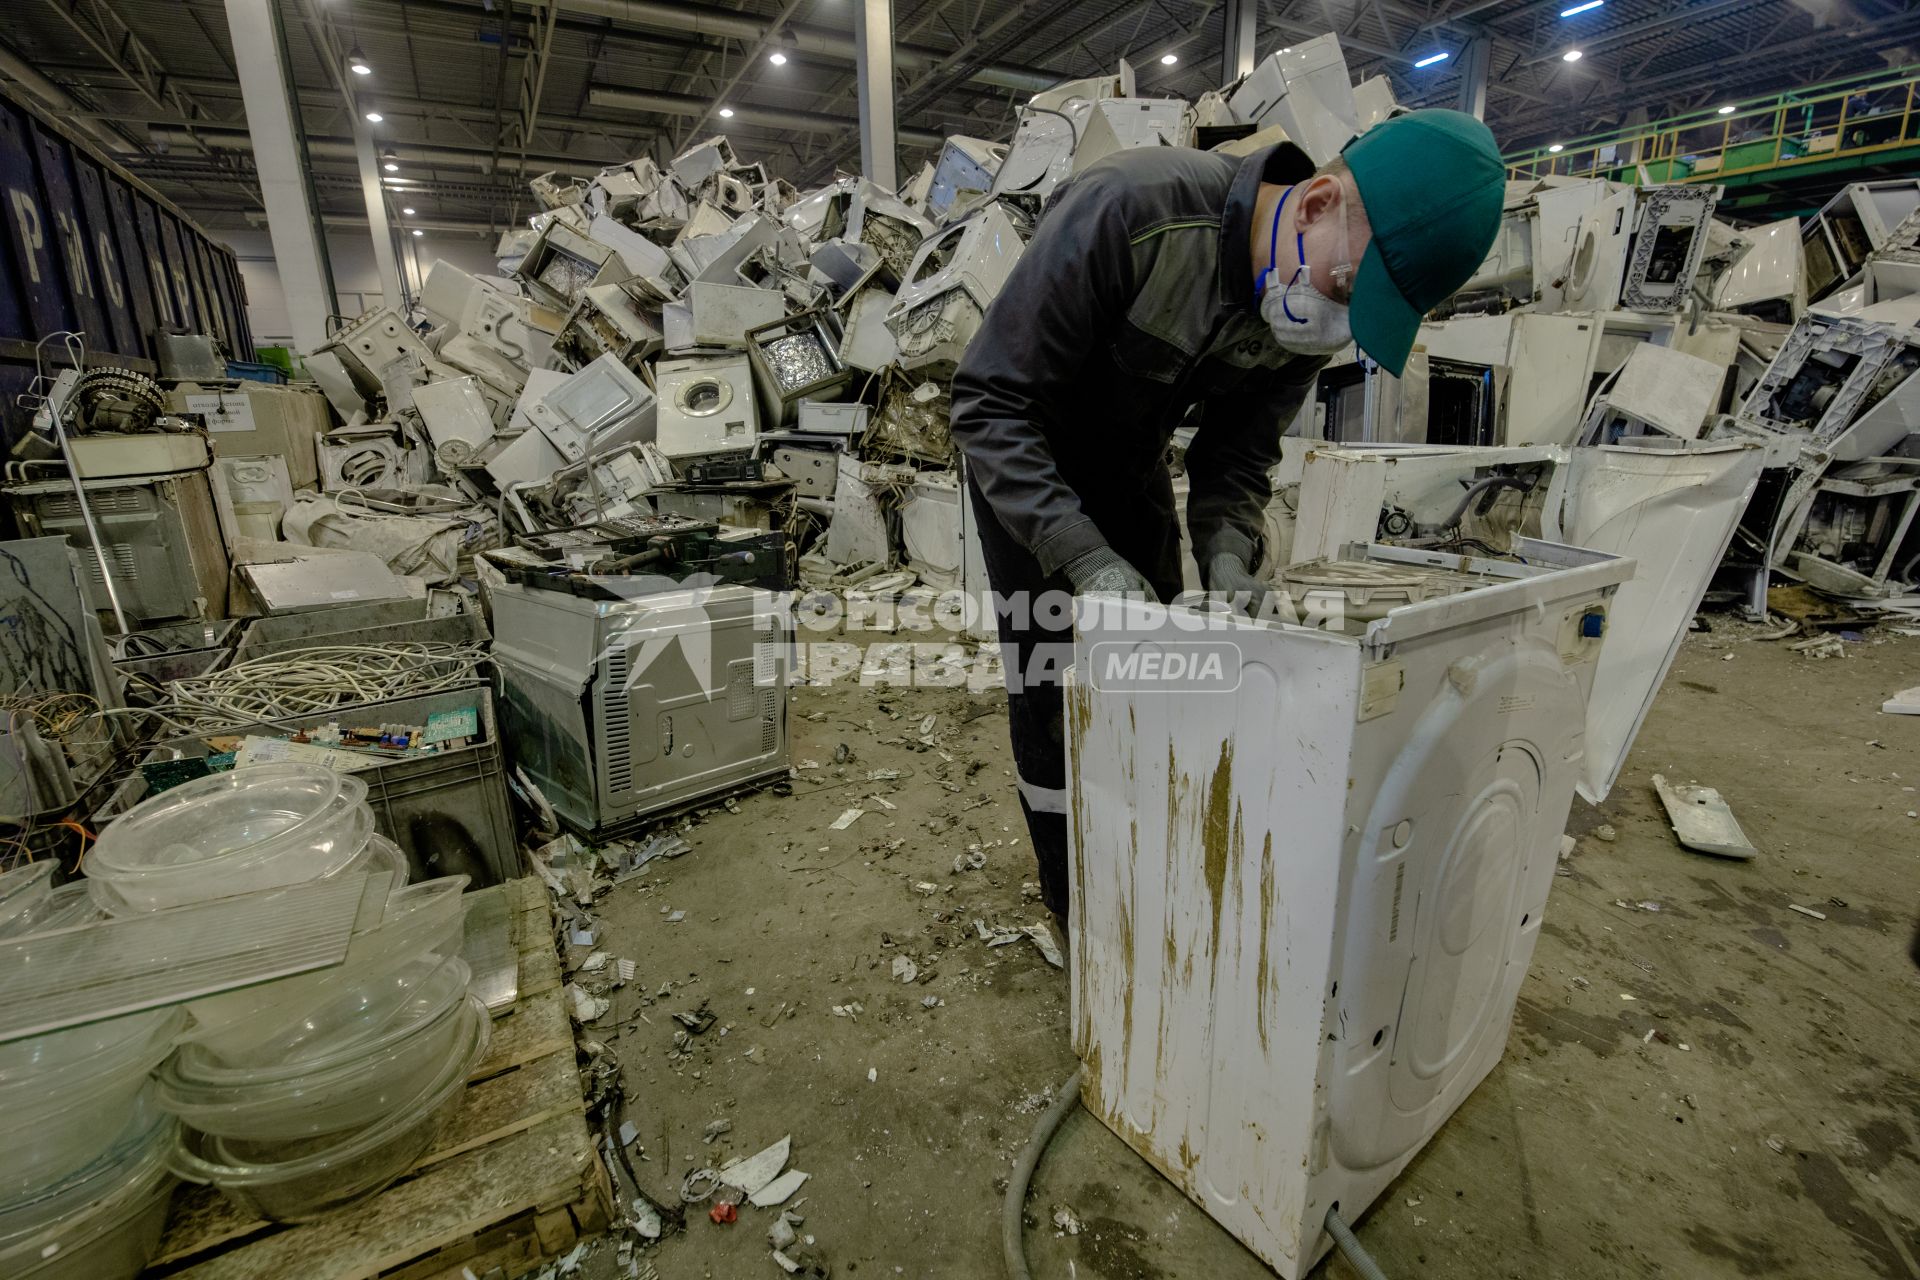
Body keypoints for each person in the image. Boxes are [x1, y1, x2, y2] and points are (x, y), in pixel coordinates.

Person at [949, 109, 1506, 920]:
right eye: (1349, 288)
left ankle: (1148, 869)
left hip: (1130, 466)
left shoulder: (1304, 305)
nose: (1337, 323)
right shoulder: (1133, 211)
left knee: (1164, 670)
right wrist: (1083, 555)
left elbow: (1237, 457)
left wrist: (1227, 552)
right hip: (1025, 469)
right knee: (1055, 686)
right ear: (1314, 204)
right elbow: (989, 400)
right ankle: (1078, 908)